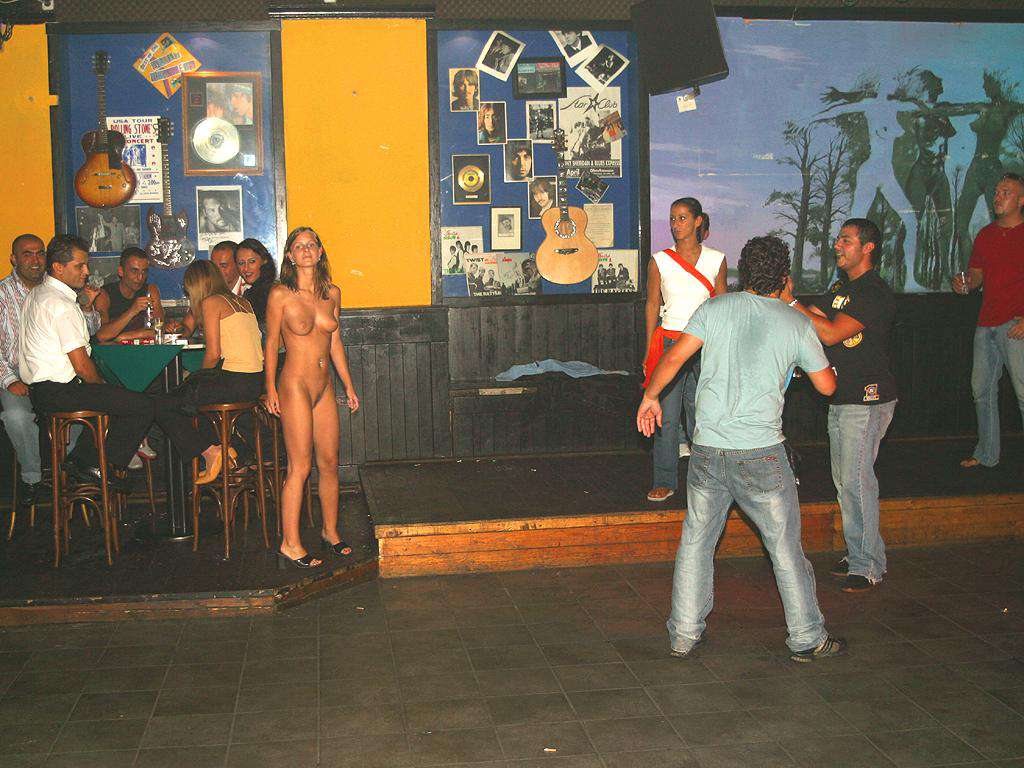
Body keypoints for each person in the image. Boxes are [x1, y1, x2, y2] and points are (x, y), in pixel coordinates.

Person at [637, 235, 845, 663]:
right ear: (785, 277)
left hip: (708, 450)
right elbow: (827, 386)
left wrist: (650, 397)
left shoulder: (713, 309)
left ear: (742, 273)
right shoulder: (795, 323)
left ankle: (683, 635)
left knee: (696, 543)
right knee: (784, 550)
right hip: (761, 453)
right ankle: (807, 637)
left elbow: (673, 359)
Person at [783, 218, 897, 593]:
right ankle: (860, 550)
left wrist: (791, 303)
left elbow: (831, 334)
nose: (837, 245)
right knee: (846, 481)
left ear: (868, 248)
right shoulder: (842, 288)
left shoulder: (873, 291)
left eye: (846, 240)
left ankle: (867, 565)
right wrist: (794, 303)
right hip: (843, 395)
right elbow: (821, 319)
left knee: (856, 481)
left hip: (867, 397)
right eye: (838, 239)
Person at [18, 235, 153, 490]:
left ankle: (85, 460)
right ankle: (93, 464)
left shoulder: (37, 294)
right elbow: (81, 366)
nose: (87, 271)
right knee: (142, 405)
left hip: (41, 392)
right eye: (79, 266)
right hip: (61, 391)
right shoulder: (60, 304)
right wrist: (103, 388)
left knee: (121, 397)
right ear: (58, 267)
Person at [264, 226, 359, 568]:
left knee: (330, 463)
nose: (305, 249)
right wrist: (270, 388)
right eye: (298, 245)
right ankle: (290, 543)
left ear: (320, 252)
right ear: (290, 256)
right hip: (295, 385)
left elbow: (335, 342)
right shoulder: (280, 294)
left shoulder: (332, 293)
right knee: (300, 465)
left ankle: (330, 531)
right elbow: (270, 343)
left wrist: (348, 385)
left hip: (324, 386)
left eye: (311, 244)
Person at [0, 234, 97, 501]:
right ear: (14, 259)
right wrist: (9, 379)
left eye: (40, 253)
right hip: (15, 375)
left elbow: (87, 334)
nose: (35, 260)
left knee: (78, 414)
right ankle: (33, 479)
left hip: (55, 376)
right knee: (17, 417)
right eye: (27, 254)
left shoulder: (59, 286)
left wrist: (88, 308)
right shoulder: (3, 294)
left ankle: (63, 469)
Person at [642, 198, 727, 502]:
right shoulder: (659, 261)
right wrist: (648, 348)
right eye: (672, 219)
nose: (676, 224)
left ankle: (708, 480)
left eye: (682, 218)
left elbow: (722, 306)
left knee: (703, 415)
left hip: (705, 344)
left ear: (698, 221)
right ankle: (665, 480)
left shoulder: (716, 259)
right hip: (670, 343)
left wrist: (723, 348)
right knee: (665, 415)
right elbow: (653, 304)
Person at [153, 260, 265, 484]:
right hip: (254, 382)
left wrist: (199, 378)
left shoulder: (212, 302)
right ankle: (236, 453)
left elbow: (213, 354)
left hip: (234, 381)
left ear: (196, 286)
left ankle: (212, 452)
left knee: (163, 405)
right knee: (194, 405)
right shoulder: (242, 302)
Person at [953, 172, 1024, 469]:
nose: (997, 197)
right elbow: (976, 276)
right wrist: (965, 283)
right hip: (986, 323)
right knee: (981, 391)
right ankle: (986, 454)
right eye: (996, 192)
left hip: (1016, 324)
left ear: (1021, 200)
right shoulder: (985, 235)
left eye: (1006, 192)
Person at [165, 241, 242, 339]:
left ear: (238, 265)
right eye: (214, 266)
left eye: (223, 265)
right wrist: (178, 329)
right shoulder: (207, 291)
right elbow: (187, 327)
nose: (216, 271)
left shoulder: (249, 291)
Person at [94, 247, 164, 342]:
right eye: (134, 271)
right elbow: (102, 336)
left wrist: (122, 337)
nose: (140, 277)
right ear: (121, 271)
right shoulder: (104, 294)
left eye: (144, 271)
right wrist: (133, 311)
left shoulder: (150, 291)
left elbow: (159, 329)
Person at [236, 238, 277, 329]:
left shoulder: (274, 292)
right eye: (241, 263)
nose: (246, 268)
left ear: (264, 261)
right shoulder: (249, 293)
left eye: (252, 261)